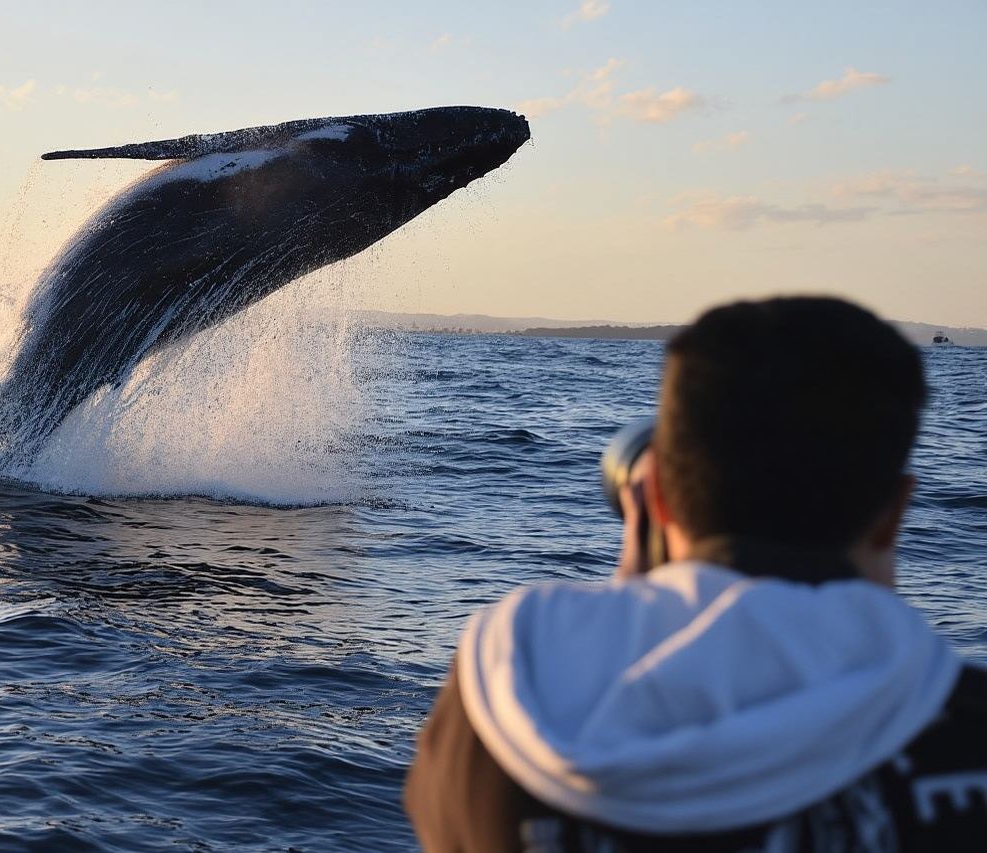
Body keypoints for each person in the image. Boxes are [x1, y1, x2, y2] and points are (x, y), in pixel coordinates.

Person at [404, 296, 987, 851]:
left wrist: (633, 610)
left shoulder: (503, 692)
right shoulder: (962, 725)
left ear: (653, 494)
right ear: (895, 512)